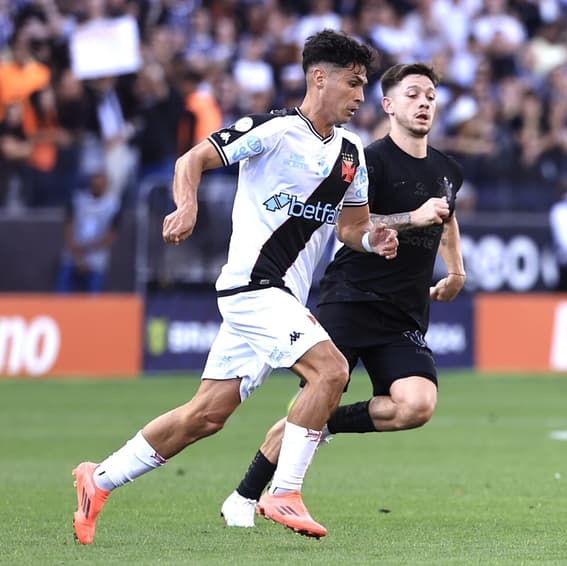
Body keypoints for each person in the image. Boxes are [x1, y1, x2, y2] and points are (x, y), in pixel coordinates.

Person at [72, 29, 399, 544]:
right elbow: (191, 160)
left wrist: (372, 238)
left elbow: (349, 228)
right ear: (319, 78)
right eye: (354, 84)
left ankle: (100, 478)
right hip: (254, 285)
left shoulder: (352, 155)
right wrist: (187, 204)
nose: (361, 96)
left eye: (364, 86)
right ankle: (284, 491)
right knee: (331, 371)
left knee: (206, 415)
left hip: (282, 297)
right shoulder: (273, 129)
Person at [219, 62, 465, 528]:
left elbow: (447, 217)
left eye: (431, 95)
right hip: (352, 296)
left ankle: (321, 425)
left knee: (417, 405)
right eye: (413, 94)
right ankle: (245, 495)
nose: (424, 103)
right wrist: (409, 217)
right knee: (319, 392)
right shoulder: (364, 157)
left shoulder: (448, 169)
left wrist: (456, 270)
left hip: (404, 309)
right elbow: (344, 225)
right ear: (389, 106)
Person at [55, 166, 121, 293]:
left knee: (94, 293)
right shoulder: (77, 199)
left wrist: (86, 250)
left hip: (96, 256)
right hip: (73, 252)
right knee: (62, 286)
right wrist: (77, 253)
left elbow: (110, 237)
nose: (98, 183)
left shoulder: (114, 205)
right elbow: (68, 226)